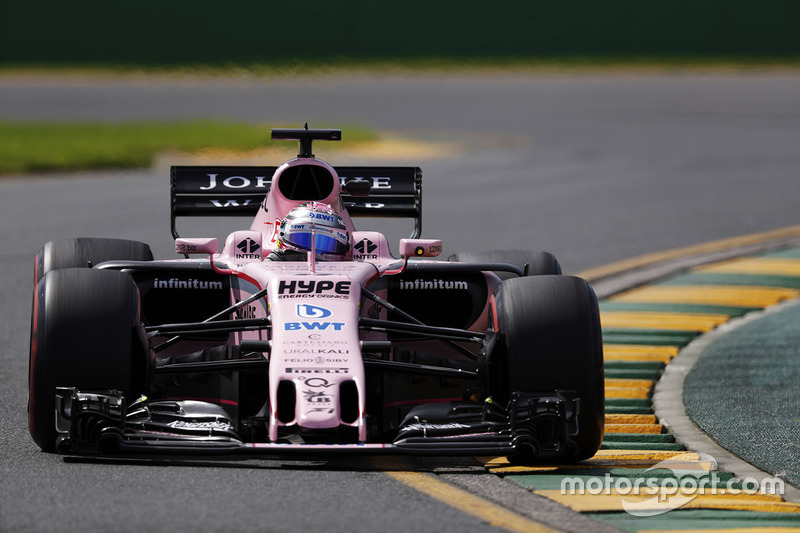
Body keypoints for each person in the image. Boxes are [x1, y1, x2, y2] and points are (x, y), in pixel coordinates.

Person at [267, 202, 350, 261]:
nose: (311, 253)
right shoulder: (274, 260)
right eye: (302, 239)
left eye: (325, 244)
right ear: (282, 233)